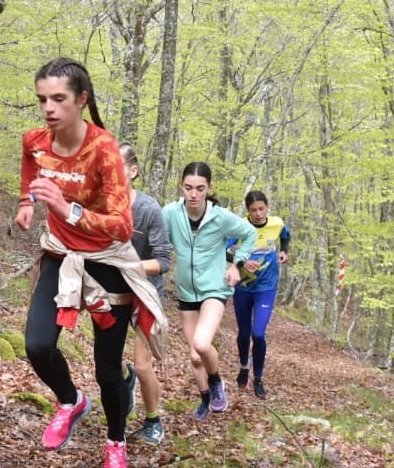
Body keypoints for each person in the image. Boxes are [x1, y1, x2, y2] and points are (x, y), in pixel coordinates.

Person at [14, 58, 166, 468]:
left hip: (106, 265)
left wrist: (66, 207)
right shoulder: (36, 140)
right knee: (37, 345)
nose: (49, 108)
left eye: (59, 99)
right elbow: (31, 163)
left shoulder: (103, 151)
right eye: (43, 99)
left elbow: (123, 224)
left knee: (107, 368)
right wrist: (27, 202)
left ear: (81, 100)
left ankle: (115, 442)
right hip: (60, 255)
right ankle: (70, 401)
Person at [160, 162, 257, 422]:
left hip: (214, 287)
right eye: (188, 188)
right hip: (186, 290)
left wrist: (237, 265)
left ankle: (216, 382)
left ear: (208, 189)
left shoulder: (220, 216)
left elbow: (249, 234)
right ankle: (205, 398)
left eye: (199, 188)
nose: (193, 194)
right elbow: (155, 236)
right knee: (194, 356)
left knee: (202, 344)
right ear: (181, 186)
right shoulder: (170, 213)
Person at [118, 142, 172, 444]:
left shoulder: (148, 208)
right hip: (110, 293)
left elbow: (164, 260)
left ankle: (153, 419)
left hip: (145, 294)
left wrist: (129, 266)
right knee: (107, 363)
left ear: (133, 171)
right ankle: (123, 391)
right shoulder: (99, 204)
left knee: (141, 364)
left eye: (118, 165)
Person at [227, 189, 291, 399]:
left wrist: (284, 251)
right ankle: (244, 366)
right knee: (244, 333)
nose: (258, 213)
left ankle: (259, 377)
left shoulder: (277, 223)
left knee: (258, 333)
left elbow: (285, 236)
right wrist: (242, 262)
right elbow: (222, 249)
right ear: (248, 210)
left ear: (267, 207)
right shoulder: (239, 227)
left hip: (266, 288)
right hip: (243, 288)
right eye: (253, 210)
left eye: (261, 208)